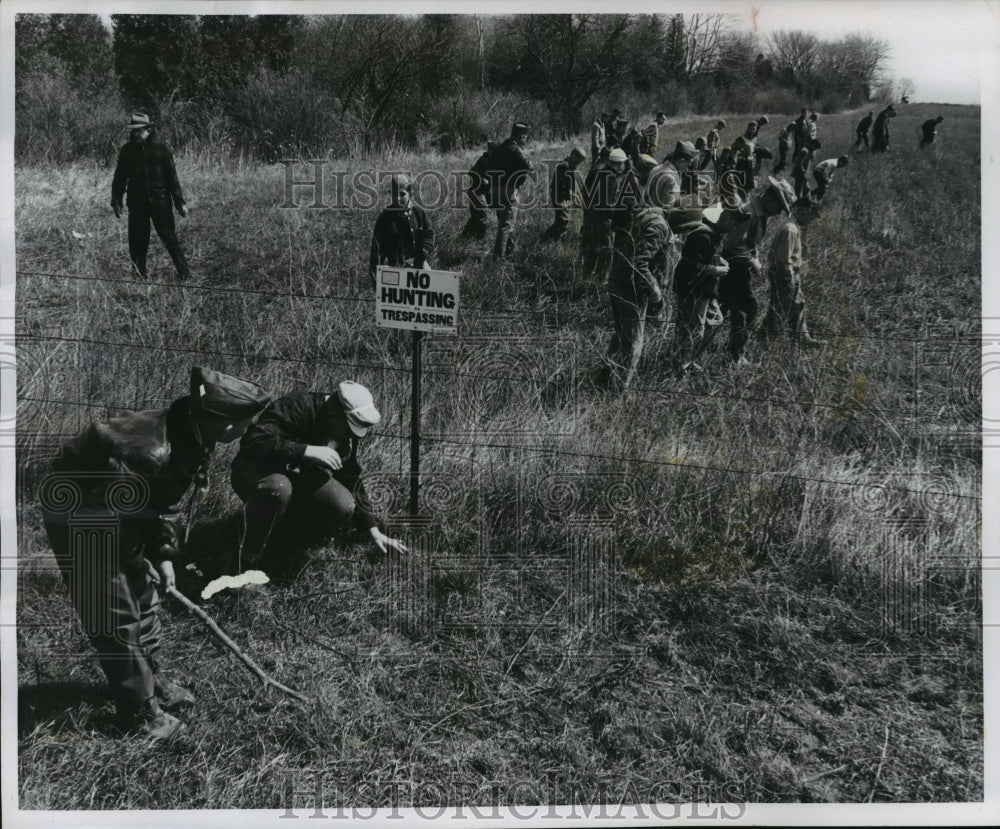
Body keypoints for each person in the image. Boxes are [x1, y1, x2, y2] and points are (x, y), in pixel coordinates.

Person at [39, 367, 272, 740]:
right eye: (244, 423)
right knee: (114, 612)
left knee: (145, 599)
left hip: (118, 509)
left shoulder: (193, 433)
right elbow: (110, 523)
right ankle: (139, 713)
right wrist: (135, 559)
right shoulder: (150, 452)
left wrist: (163, 554)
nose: (245, 430)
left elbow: (160, 502)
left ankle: (152, 676)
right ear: (225, 423)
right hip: (83, 514)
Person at [229, 382, 408, 573]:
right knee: (279, 488)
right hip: (255, 471)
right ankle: (243, 562)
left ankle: (282, 544)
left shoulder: (342, 429)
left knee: (341, 503)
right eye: (348, 430)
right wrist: (306, 450)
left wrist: (372, 529)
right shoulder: (296, 406)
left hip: (295, 477)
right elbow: (254, 441)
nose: (350, 437)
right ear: (334, 414)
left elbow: (350, 476)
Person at [717, 176, 795, 365]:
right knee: (746, 309)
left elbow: (750, 242)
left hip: (736, 266)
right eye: (778, 208)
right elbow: (732, 245)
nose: (777, 213)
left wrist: (755, 256)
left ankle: (705, 347)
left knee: (720, 308)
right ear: (770, 199)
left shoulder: (759, 214)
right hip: (733, 266)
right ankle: (735, 357)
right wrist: (753, 262)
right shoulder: (749, 212)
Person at [671, 204, 751, 373]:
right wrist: (715, 269)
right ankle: (680, 366)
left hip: (706, 289)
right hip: (693, 290)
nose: (733, 228)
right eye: (733, 223)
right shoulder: (703, 235)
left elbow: (705, 257)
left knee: (715, 322)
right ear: (725, 218)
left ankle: (689, 360)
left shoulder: (714, 235)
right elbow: (690, 266)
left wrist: (717, 260)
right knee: (693, 331)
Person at [111, 113, 191, 280]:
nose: (135, 134)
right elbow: (119, 178)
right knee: (137, 242)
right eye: (133, 131)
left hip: (160, 203)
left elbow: (172, 179)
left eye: (138, 131)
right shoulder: (127, 151)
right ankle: (140, 276)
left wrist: (179, 202)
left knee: (169, 238)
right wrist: (116, 200)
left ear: (148, 130)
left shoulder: (161, 150)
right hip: (136, 204)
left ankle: (185, 274)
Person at [604, 203, 674, 389]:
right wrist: (655, 290)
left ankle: (606, 377)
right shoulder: (660, 225)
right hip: (632, 289)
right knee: (633, 342)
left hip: (620, 280)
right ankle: (619, 390)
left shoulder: (650, 215)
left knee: (622, 335)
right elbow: (640, 263)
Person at [760, 197, 825, 346]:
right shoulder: (790, 229)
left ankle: (802, 338)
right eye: (811, 218)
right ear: (804, 212)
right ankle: (766, 340)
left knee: (798, 305)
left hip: (791, 275)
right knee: (779, 308)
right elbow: (783, 260)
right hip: (784, 276)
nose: (810, 222)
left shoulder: (793, 226)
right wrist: (789, 280)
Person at [368, 174, 435, 281]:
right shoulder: (385, 217)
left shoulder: (418, 213)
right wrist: (374, 270)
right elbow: (377, 246)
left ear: (411, 195)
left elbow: (428, 234)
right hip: (395, 267)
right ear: (390, 194)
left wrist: (424, 250)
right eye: (394, 194)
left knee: (428, 289)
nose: (398, 198)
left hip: (419, 263)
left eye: (402, 194)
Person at [579, 147, 629, 280]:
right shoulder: (611, 177)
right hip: (604, 220)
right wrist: (619, 215)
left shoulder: (600, 172)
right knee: (606, 250)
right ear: (619, 163)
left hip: (594, 216)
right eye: (623, 163)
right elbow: (607, 203)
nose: (623, 166)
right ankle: (601, 279)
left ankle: (586, 276)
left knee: (593, 248)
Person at [488, 121, 534, 259]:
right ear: (521, 136)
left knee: (504, 222)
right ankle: (498, 258)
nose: (526, 139)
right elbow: (529, 166)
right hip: (508, 190)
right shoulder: (515, 150)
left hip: (495, 189)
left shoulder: (499, 147)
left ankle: (509, 251)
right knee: (506, 225)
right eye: (525, 137)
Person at [541, 146, 587, 243]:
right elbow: (561, 184)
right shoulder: (564, 166)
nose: (579, 163)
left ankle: (554, 239)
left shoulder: (569, 166)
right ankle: (545, 239)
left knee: (563, 221)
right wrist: (569, 194)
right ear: (573, 156)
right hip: (560, 197)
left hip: (563, 197)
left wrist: (572, 194)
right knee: (562, 221)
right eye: (579, 160)